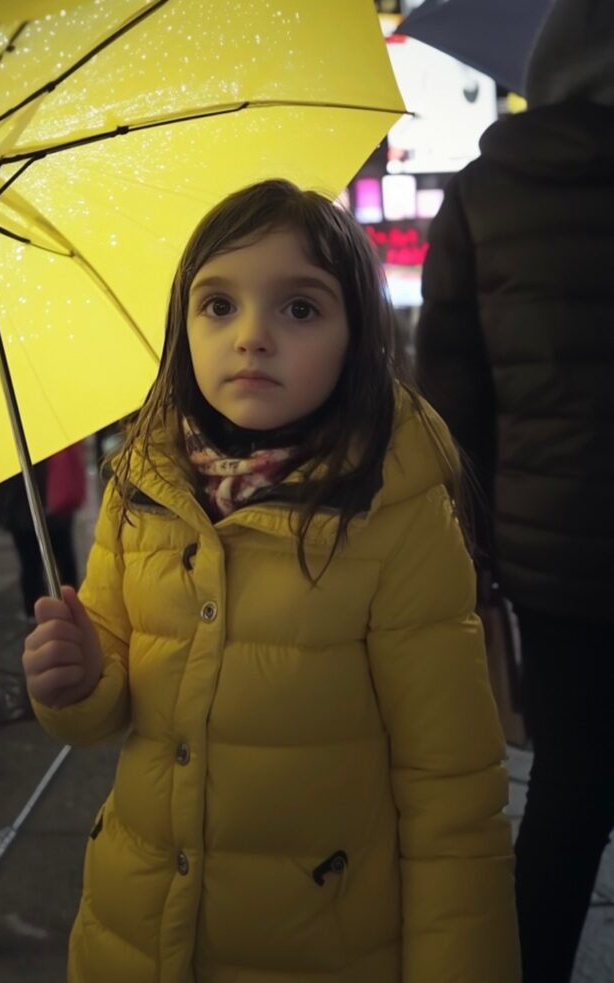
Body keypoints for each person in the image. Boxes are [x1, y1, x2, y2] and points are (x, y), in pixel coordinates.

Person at [22, 179, 520, 982]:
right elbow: (109, 699)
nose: (251, 336)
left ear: (358, 336)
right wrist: (76, 680)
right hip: (135, 931)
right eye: (218, 305)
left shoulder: (397, 512)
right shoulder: (142, 483)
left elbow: (452, 793)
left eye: (299, 308)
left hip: (323, 944)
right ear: (181, 325)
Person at [415, 2, 614, 980]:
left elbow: (450, 402)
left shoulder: (487, 191)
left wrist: (483, 546)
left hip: (553, 556)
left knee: (570, 786)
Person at [0, 444, 85, 617]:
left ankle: (38, 609)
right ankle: (55, 607)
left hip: (35, 508)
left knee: (36, 562)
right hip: (37, 508)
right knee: (51, 560)